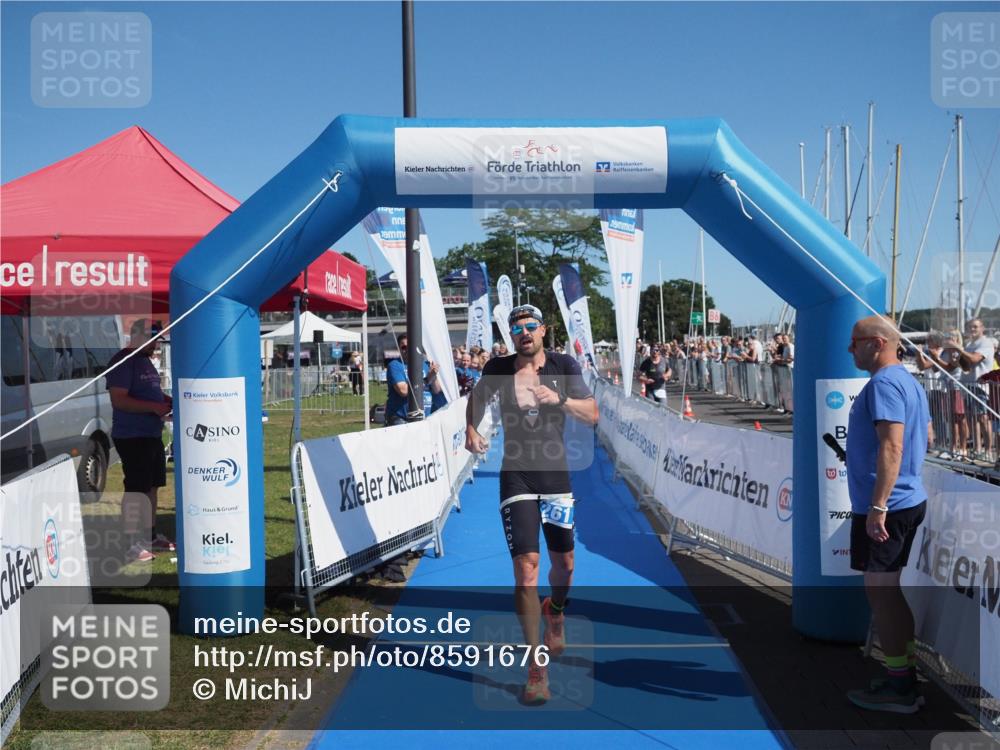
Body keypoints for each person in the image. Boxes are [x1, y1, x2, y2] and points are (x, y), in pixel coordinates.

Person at [465, 305, 597, 705]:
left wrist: (559, 400)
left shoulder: (564, 365)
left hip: (555, 475)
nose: (524, 333)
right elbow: (476, 399)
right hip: (516, 474)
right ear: (510, 334)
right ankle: (535, 665)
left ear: (543, 329)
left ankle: (555, 609)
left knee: (566, 564)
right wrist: (470, 429)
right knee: (526, 569)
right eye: (516, 328)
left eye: (530, 326)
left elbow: (592, 414)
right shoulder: (498, 369)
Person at [844, 315, 930, 714]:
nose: (850, 349)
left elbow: (892, 447)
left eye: (855, 342)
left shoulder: (884, 383)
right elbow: (925, 435)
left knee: (881, 593)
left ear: (877, 343)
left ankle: (901, 689)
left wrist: (877, 505)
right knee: (887, 593)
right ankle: (903, 678)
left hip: (890, 507)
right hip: (901, 501)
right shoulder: (908, 381)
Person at [105, 319, 175, 563]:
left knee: (152, 487)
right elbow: (120, 400)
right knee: (136, 490)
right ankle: (130, 544)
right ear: (139, 337)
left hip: (151, 434)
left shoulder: (145, 360)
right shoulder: (123, 361)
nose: (156, 345)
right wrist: (155, 407)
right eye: (153, 339)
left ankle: (150, 536)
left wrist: (167, 400)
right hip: (132, 436)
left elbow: (150, 392)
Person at [384, 334, 444, 426]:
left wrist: (434, 375)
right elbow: (403, 390)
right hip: (401, 419)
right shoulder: (395, 365)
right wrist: (427, 379)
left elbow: (436, 389)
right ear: (399, 349)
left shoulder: (424, 364)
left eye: (410, 346)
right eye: (403, 347)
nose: (407, 349)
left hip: (424, 417)